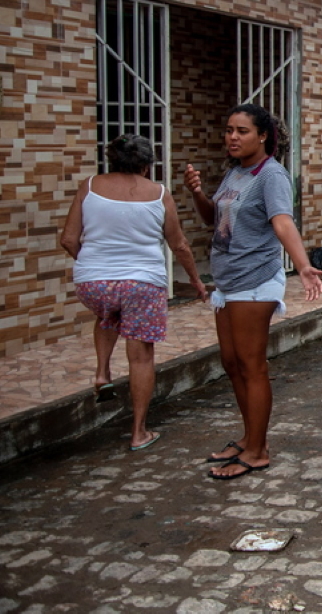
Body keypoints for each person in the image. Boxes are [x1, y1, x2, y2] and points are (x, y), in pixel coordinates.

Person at [184, 104, 322, 480]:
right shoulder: (235, 173)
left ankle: (259, 451)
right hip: (228, 281)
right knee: (232, 364)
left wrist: (304, 264)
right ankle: (249, 438)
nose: (232, 137)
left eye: (242, 131)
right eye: (229, 129)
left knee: (252, 366)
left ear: (262, 136)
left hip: (255, 281)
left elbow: (282, 222)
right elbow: (214, 218)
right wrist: (197, 193)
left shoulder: (271, 175)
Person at [60, 135, 207, 451]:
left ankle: (102, 372)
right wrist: (196, 281)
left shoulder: (89, 186)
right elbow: (178, 244)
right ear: (145, 164)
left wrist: (93, 267)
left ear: (111, 160)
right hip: (142, 284)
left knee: (107, 312)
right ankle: (139, 432)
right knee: (141, 357)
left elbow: (68, 240)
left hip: (92, 283)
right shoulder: (158, 194)